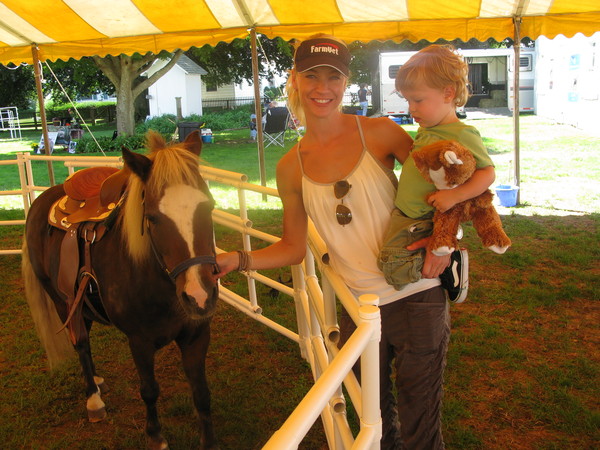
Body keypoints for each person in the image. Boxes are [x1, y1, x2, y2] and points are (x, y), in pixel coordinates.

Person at [216, 35, 451, 449]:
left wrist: (443, 244)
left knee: (420, 419)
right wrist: (238, 260)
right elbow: (292, 246)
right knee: (371, 415)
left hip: (418, 294)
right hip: (359, 307)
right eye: (312, 76)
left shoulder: (381, 133)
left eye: (333, 77)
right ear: (294, 79)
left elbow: (445, 185)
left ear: (346, 82)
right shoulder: (290, 167)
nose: (322, 88)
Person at [379, 45, 496, 304]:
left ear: (448, 93)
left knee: (393, 267)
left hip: (424, 215)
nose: (411, 108)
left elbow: (487, 173)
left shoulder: (462, 134)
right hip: (407, 211)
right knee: (392, 260)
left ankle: (452, 263)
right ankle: (443, 267)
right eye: (408, 100)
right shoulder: (428, 130)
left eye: (418, 100)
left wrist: (455, 196)